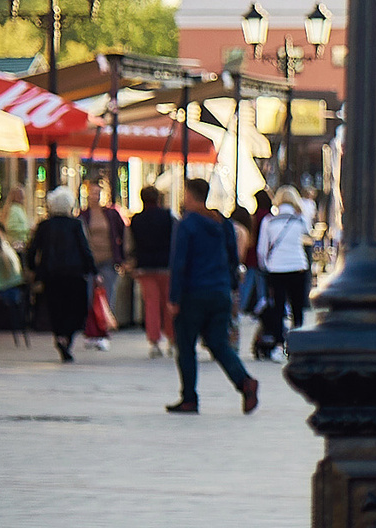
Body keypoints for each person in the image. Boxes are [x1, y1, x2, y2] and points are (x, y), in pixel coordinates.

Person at [166, 177, 258, 415]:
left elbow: (179, 262)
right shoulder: (222, 223)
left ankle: (189, 398)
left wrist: (174, 297)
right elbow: (232, 259)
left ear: (189, 195)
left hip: (193, 293)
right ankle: (244, 382)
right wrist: (228, 286)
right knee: (218, 343)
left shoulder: (187, 225)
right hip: (219, 292)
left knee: (185, 346)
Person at [30, 186, 96, 363]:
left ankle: (59, 335)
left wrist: (34, 270)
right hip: (75, 273)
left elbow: (33, 249)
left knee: (56, 307)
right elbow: (84, 248)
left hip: (51, 273)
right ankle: (67, 336)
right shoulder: (76, 225)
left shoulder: (44, 226)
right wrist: (93, 270)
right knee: (77, 308)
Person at [252, 186, 314, 361]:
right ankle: (298, 344)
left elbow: (262, 250)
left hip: (276, 269)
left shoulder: (269, 221)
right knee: (297, 308)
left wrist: (267, 266)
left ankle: (279, 345)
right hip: (297, 266)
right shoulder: (299, 220)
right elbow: (308, 234)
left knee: (278, 307)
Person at [129, 184, 176, 357]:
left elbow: (132, 243)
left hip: (145, 266)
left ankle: (154, 342)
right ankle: (172, 340)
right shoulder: (167, 217)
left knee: (151, 304)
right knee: (168, 304)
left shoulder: (137, 219)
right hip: (166, 266)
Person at [80, 179, 126, 351]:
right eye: (92, 193)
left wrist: (122, 257)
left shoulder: (111, 215)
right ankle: (91, 332)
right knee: (89, 297)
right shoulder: (83, 216)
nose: (95, 196)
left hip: (108, 260)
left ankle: (103, 332)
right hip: (90, 262)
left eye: (97, 193)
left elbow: (122, 234)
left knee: (107, 297)